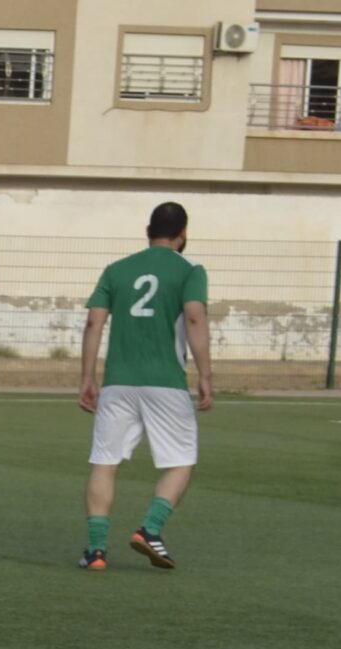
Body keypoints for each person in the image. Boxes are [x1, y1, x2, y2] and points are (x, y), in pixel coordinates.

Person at [78, 201, 213, 570]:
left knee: (105, 462)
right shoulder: (191, 269)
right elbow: (195, 318)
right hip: (166, 382)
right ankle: (150, 530)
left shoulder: (117, 270)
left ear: (148, 231)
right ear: (183, 234)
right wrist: (205, 375)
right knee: (181, 461)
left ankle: (96, 552)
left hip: (118, 383)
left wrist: (87, 376)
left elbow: (93, 323)